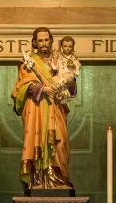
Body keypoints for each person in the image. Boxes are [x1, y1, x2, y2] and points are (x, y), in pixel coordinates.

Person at [11, 27, 76, 191]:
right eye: (40, 40)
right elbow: (22, 85)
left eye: (46, 40)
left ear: (51, 40)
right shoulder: (28, 62)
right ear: (34, 42)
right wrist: (43, 89)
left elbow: (72, 84)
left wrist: (66, 85)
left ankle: (60, 179)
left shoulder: (60, 58)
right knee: (38, 140)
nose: (44, 43)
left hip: (56, 108)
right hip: (38, 109)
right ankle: (39, 181)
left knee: (61, 143)